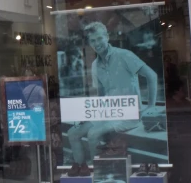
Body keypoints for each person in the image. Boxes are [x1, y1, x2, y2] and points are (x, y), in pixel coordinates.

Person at [67, 21, 159, 166]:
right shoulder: (95, 65)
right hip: (109, 112)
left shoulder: (124, 55)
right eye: (92, 40)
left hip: (129, 114)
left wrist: (151, 107)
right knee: (73, 133)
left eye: (99, 38)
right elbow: (102, 95)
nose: (97, 43)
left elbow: (152, 76)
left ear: (107, 37)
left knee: (93, 134)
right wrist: (93, 113)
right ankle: (81, 169)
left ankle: (98, 175)